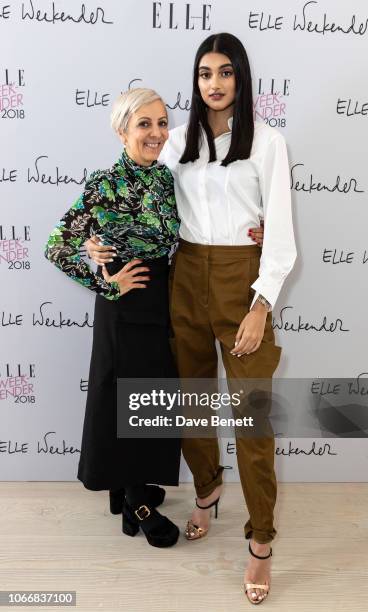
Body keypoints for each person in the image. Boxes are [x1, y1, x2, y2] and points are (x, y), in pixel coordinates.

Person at [86, 31, 296, 605]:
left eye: (226, 72)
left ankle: (261, 543)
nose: (215, 83)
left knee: (252, 420)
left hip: (241, 284)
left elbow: (281, 236)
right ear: (196, 81)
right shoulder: (176, 141)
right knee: (191, 400)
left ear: (241, 78)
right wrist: (91, 246)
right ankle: (207, 491)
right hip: (184, 280)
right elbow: (124, 190)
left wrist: (260, 303)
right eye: (205, 73)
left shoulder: (268, 143)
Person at [44, 88, 182, 548]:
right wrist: (107, 282)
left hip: (163, 302)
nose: (157, 133)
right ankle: (138, 503)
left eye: (162, 123)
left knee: (153, 399)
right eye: (144, 124)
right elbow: (56, 246)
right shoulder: (104, 184)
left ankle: (131, 487)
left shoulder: (166, 178)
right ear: (122, 130)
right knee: (125, 398)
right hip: (124, 309)